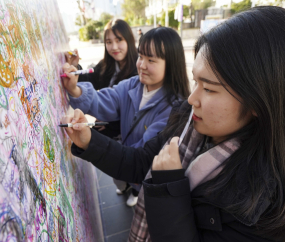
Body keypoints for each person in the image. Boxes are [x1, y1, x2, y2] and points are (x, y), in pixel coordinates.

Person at [62, 6, 285, 241]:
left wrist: (168, 188)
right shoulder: (185, 120)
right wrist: (89, 141)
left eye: (208, 88)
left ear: (259, 100)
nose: (192, 99)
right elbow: (140, 163)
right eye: (195, 81)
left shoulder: (262, 201)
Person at [61, 27, 190, 207]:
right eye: (140, 56)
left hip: (140, 169)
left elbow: (141, 157)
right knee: (121, 180)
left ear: (171, 64)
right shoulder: (132, 84)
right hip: (123, 157)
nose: (142, 65)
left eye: (151, 59)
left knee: (137, 186)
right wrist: (75, 89)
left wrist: (91, 141)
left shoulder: (172, 109)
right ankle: (126, 188)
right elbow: (103, 100)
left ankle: (135, 193)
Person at [65, 19, 138, 90]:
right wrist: (75, 66)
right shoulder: (105, 65)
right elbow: (88, 82)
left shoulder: (139, 70)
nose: (114, 47)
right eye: (109, 42)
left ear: (129, 40)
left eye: (118, 40)